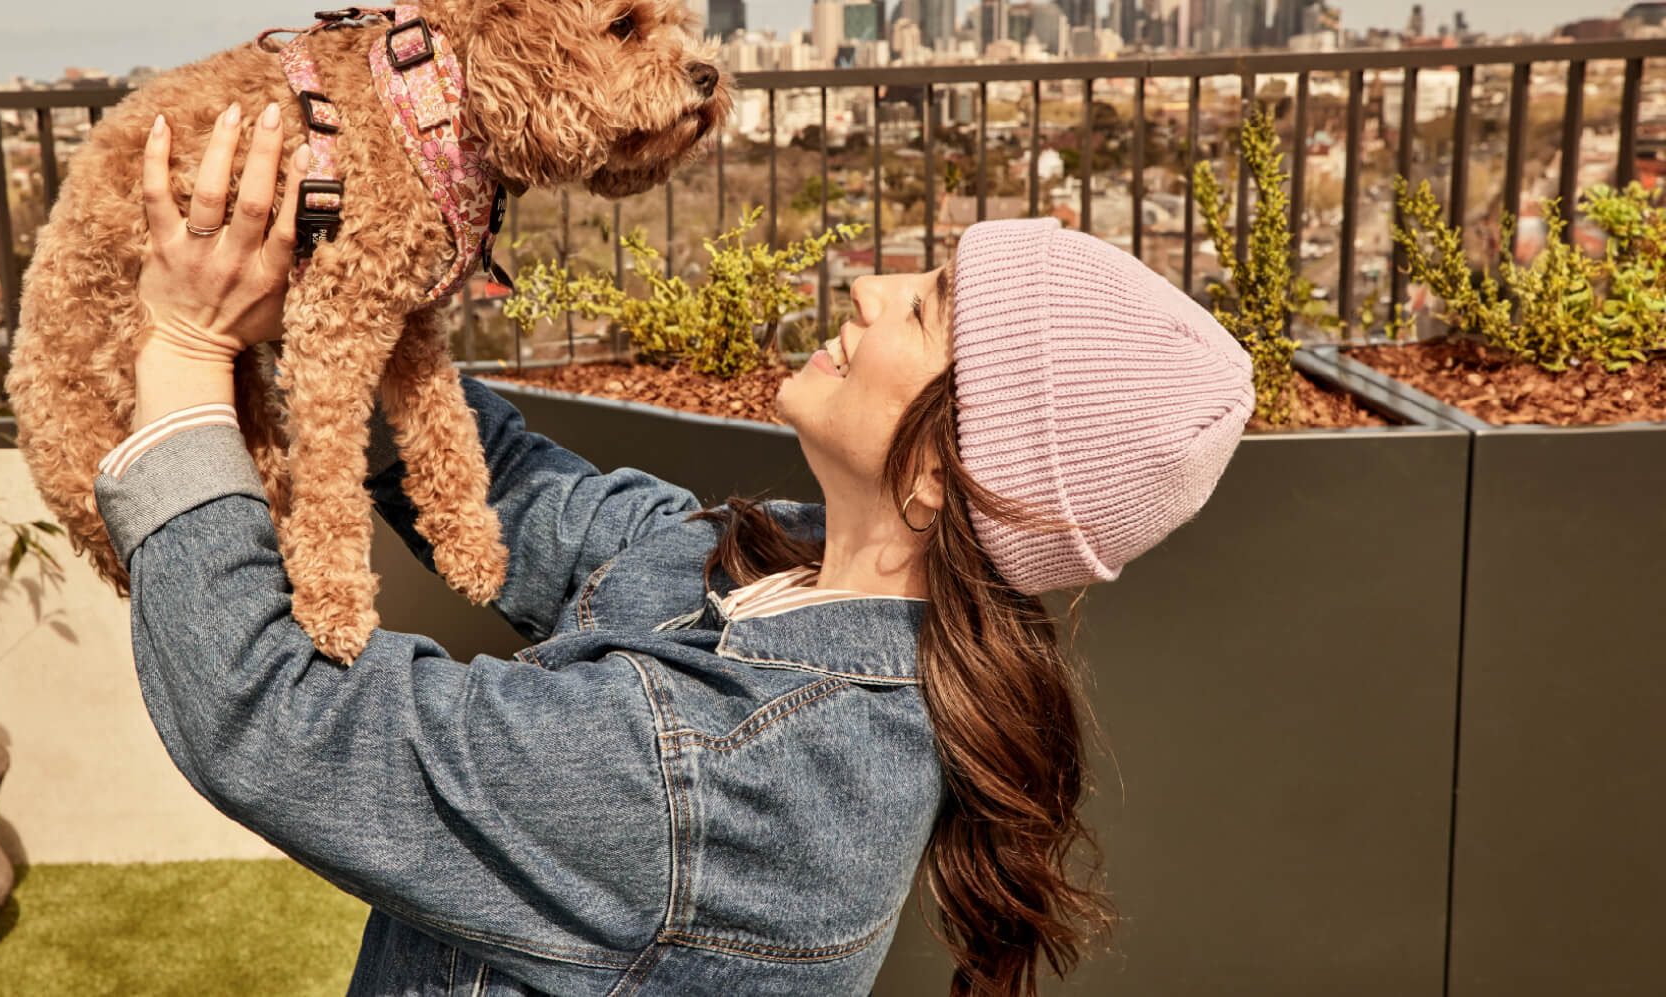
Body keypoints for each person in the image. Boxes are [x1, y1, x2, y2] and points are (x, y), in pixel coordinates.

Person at [99, 105, 1252, 996]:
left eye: (923, 310)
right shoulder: (772, 563)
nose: (868, 286)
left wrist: (186, 342)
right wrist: (342, 289)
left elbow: (267, 716)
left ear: (954, 467)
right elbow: (515, 496)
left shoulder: (726, 773)